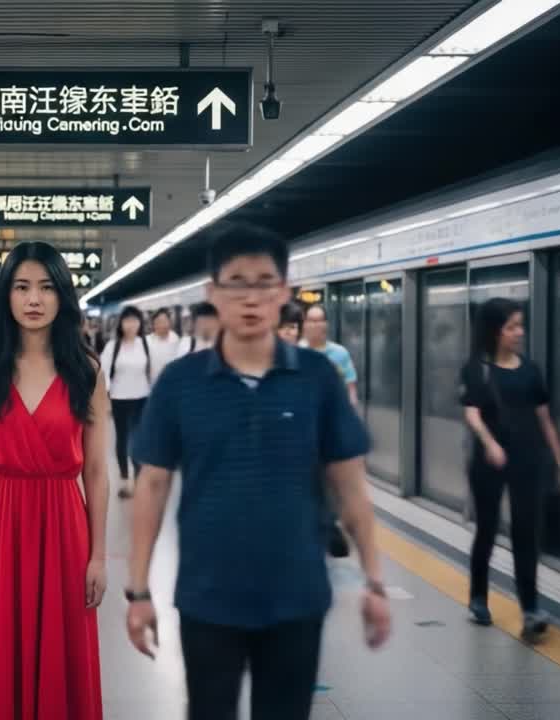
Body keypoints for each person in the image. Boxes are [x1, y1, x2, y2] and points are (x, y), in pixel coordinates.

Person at [126, 223, 391, 720]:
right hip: (207, 598)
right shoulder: (180, 384)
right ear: (213, 295)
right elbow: (152, 486)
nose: (251, 298)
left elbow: (351, 487)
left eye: (264, 283)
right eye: (236, 283)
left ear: (283, 292)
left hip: (297, 597)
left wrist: (374, 582)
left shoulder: (318, 380)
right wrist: (139, 591)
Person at [0, 241, 109, 720]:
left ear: (62, 297)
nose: (34, 299)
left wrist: (99, 554)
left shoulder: (87, 373)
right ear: (6, 297)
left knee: (62, 648)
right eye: (22, 287)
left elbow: (98, 472)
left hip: (65, 524)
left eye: (45, 287)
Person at [460, 297, 560, 641]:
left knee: (525, 534)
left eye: (520, 325)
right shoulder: (477, 369)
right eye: (512, 327)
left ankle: (530, 608)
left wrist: (558, 457)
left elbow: (544, 417)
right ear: (494, 331)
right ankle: (478, 597)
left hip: (527, 459)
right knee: (487, 529)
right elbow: (472, 412)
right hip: (488, 461)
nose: (519, 332)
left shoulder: (530, 370)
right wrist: (490, 443)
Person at [99, 306, 152, 499]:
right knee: (122, 439)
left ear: (140, 323)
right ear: (121, 323)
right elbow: (103, 375)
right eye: (127, 320)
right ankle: (124, 476)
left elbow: (152, 370)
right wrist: (104, 401)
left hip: (142, 398)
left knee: (138, 439)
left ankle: (137, 479)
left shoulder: (146, 344)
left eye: (135, 320)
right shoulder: (113, 346)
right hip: (119, 398)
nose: (131, 325)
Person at [301, 303, 359, 407]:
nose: (315, 325)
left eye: (319, 320)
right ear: (304, 324)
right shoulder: (297, 352)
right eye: (310, 320)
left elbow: (351, 389)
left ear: (326, 324)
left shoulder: (340, 353)